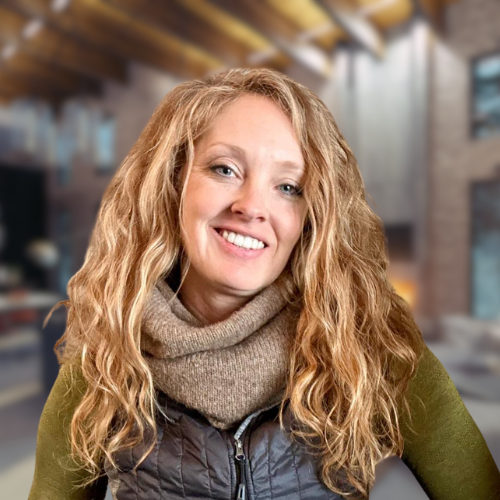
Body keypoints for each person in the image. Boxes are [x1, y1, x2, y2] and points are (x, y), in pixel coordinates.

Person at [28, 68, 500, 500]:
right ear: (172, 185)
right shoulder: (106, 357)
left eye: (289, 187)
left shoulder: (375, 348)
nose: (252, 206)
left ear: (311, 218)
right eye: (224, 169)